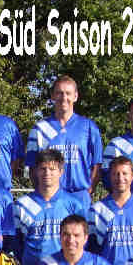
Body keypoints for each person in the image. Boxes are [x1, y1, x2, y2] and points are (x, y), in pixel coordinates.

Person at [25, 75, 103, 210]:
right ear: (53, 96)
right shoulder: (40, 128)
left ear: (75, 96)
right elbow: (32, 166)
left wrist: (89, 190)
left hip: (80, 197)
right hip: (50, 197)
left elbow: (97, 164)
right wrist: (43, 192)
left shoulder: (89, 127)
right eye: (59, 93)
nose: (64, 97)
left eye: (68, 93)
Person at [14, 149, 85, 265]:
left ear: (61, 172)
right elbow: (15, 244)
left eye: (52, 169)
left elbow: (82, 244)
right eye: (43, 169)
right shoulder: (22, 205)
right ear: (36, 171)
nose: (47, 173)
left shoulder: (74, 205)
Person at [88, 156, 133, 265]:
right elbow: (92, 250)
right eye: (116, 174)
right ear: (110, 176)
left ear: (132, 175)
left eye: (125, 173)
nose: (120, 178)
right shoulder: (97, 210)